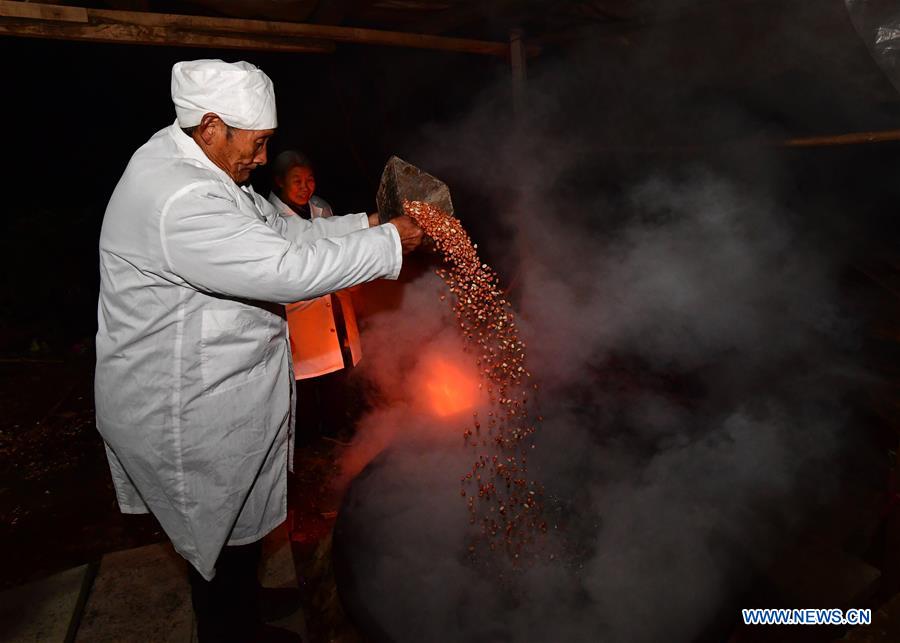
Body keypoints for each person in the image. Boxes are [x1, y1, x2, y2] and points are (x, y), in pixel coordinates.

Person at [94, 59, 423, 643]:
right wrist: (392, 242)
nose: (265, 158)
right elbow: (287, 268)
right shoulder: (179, 196)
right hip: (184, 404)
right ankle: (229, 632)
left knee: (238, 522)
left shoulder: (212, 169)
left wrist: (372, 221)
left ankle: (241, 607)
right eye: (259, 143)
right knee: (211, 529)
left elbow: (290, 234)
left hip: (223, 388)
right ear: (213, 125)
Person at [268, 151, 363, 445]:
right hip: (299, 311)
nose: (305, 187)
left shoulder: (321, 207)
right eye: (296, 181)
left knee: (339, 369)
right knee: (304, 379)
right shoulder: (269, 218)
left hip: (333, 301)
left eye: (309, 180)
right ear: (279, 183)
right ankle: (309, 439)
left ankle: (337, 427)